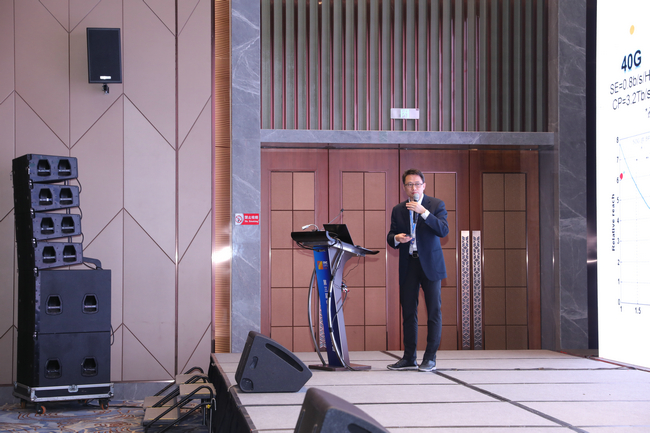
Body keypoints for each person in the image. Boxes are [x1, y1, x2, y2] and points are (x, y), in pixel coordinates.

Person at [386, 168, 449, 372]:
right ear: (404, 187)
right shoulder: (398, 209)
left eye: (417, 184)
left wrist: (424, 213)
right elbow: (391, 236)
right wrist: (397, 238)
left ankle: (430, 358)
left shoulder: (436, 205)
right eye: (409, 184)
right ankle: (408, 358)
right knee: (408, 312)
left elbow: (443, 230)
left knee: (433, 312)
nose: (413, 188)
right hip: (409, 263)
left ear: (424, 186)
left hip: (431, 264)